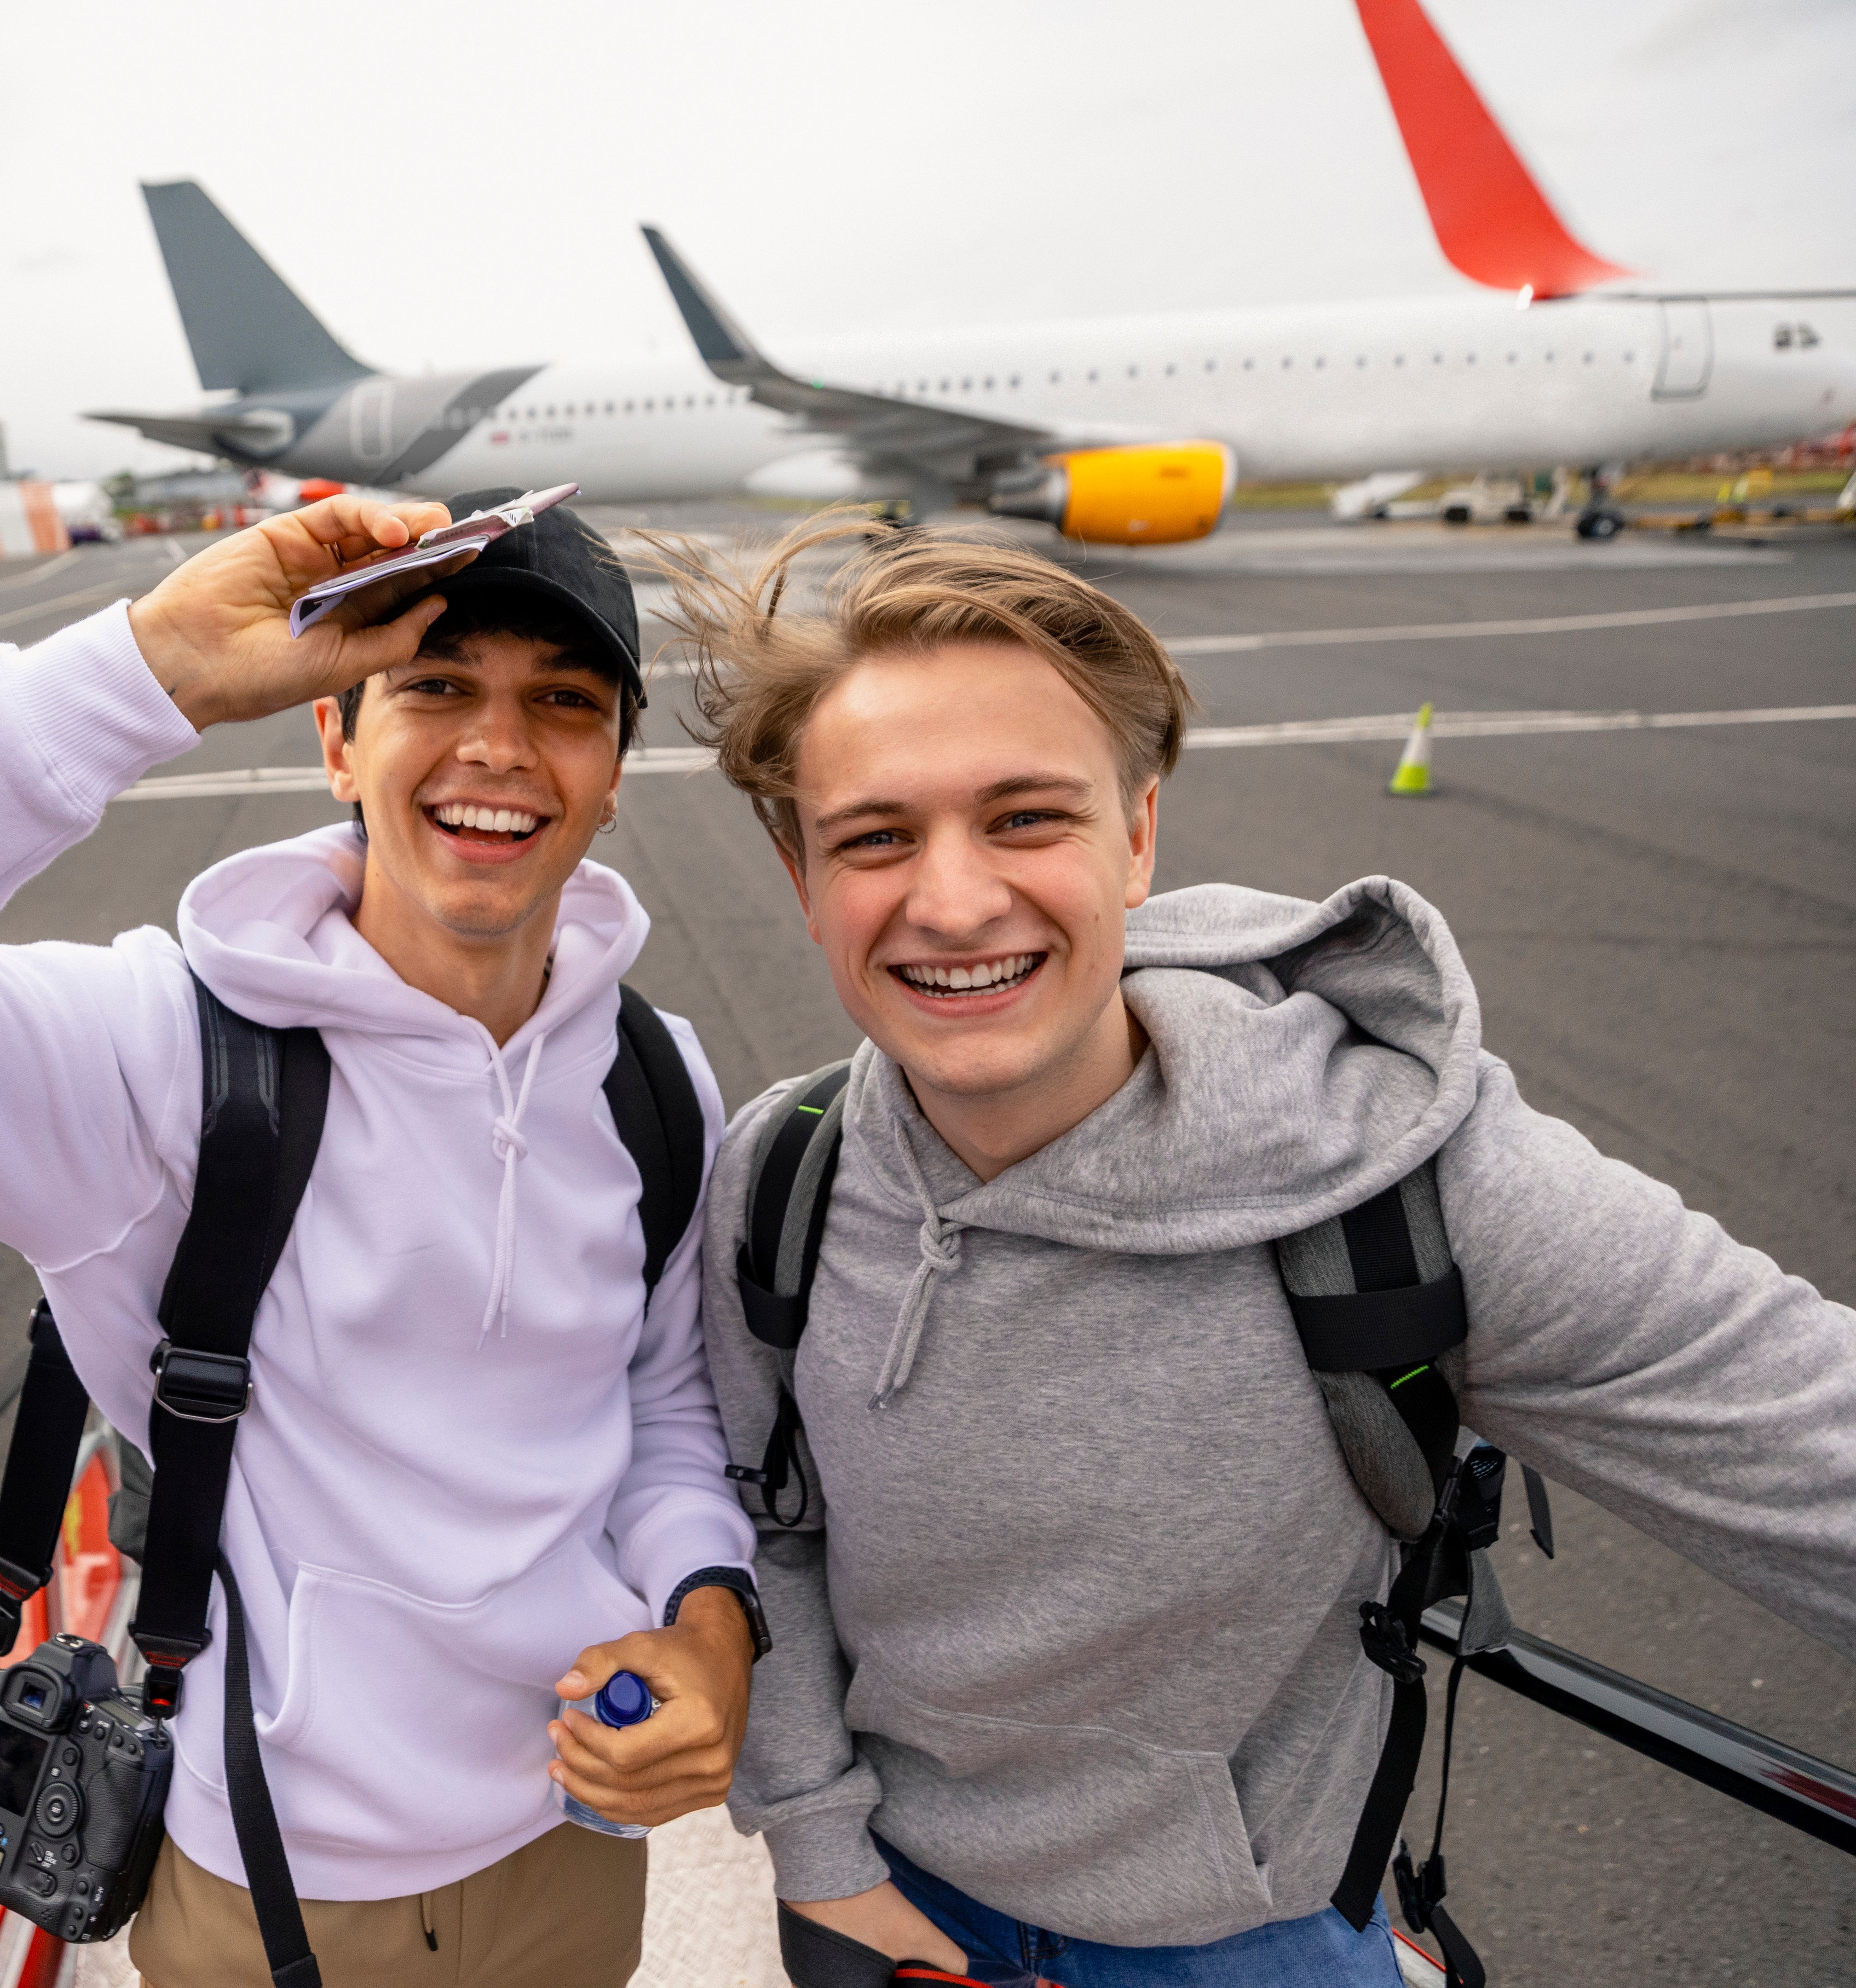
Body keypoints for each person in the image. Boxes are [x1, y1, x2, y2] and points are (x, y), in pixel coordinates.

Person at [660, 514, 1856, 1986]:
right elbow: (772, 1524)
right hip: (899, 1917)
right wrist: (821, 1855)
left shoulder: (1402, 1175)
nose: (954, 901)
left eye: (1026, 818)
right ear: (801, 875)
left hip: (1255, 1944)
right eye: (876, 837)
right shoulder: (778, 1179)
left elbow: (1812, 1440)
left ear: (1138, 835)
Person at [0, 491, 767, 1987]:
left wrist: (710, 1622)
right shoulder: (157, 1062)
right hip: (278, 1886)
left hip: (575, 1837)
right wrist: (145, 666)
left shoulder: (654, 1079)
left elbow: (661, 1407)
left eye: (564, 703)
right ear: (335, 739)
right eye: (434, 685)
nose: (498, 746)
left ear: (613, 777)